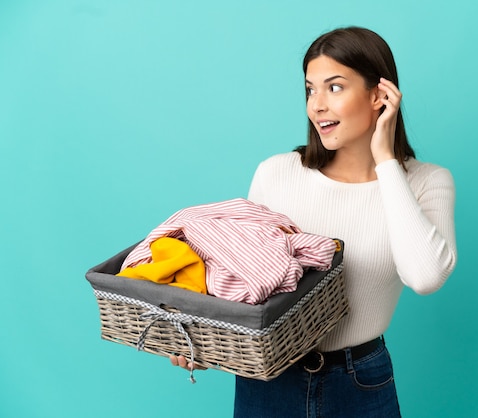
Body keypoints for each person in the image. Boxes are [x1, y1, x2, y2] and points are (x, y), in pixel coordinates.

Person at [171, 26, 457, 417]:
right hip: (269, 380)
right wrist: (205, 344)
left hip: (360, 381)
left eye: (335, 87)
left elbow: (425, 277)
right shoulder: (276, 173)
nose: (317, 104)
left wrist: (386, 161)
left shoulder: (427, 182)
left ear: (379, 95)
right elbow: (242, 283)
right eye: (310, 89)